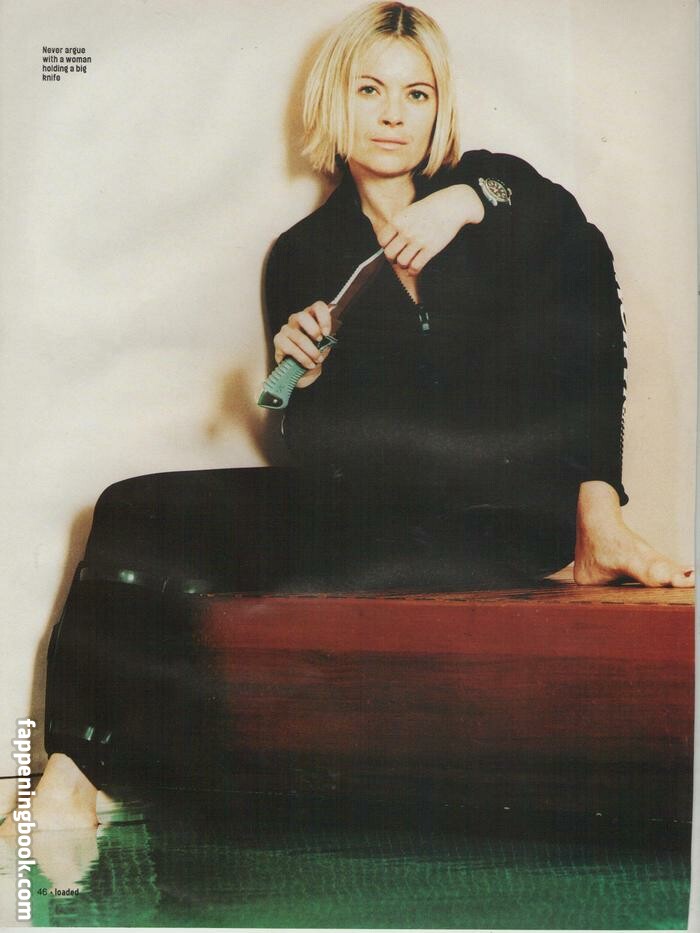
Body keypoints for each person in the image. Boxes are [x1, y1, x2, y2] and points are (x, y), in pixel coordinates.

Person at [2, 0, 692, 836]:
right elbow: (320, 456)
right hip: (390, 519)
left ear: (438, 110)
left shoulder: (498, 193)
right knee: (131, 506)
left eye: (416, 94)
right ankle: (73, 770)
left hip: (513, 515)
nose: (394, 114)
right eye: (371, 90)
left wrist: (466, 200)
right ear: (338, 101)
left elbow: (581, 250)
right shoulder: (303, 254)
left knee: (575, 253)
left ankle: (601, 523)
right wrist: (312, 380)